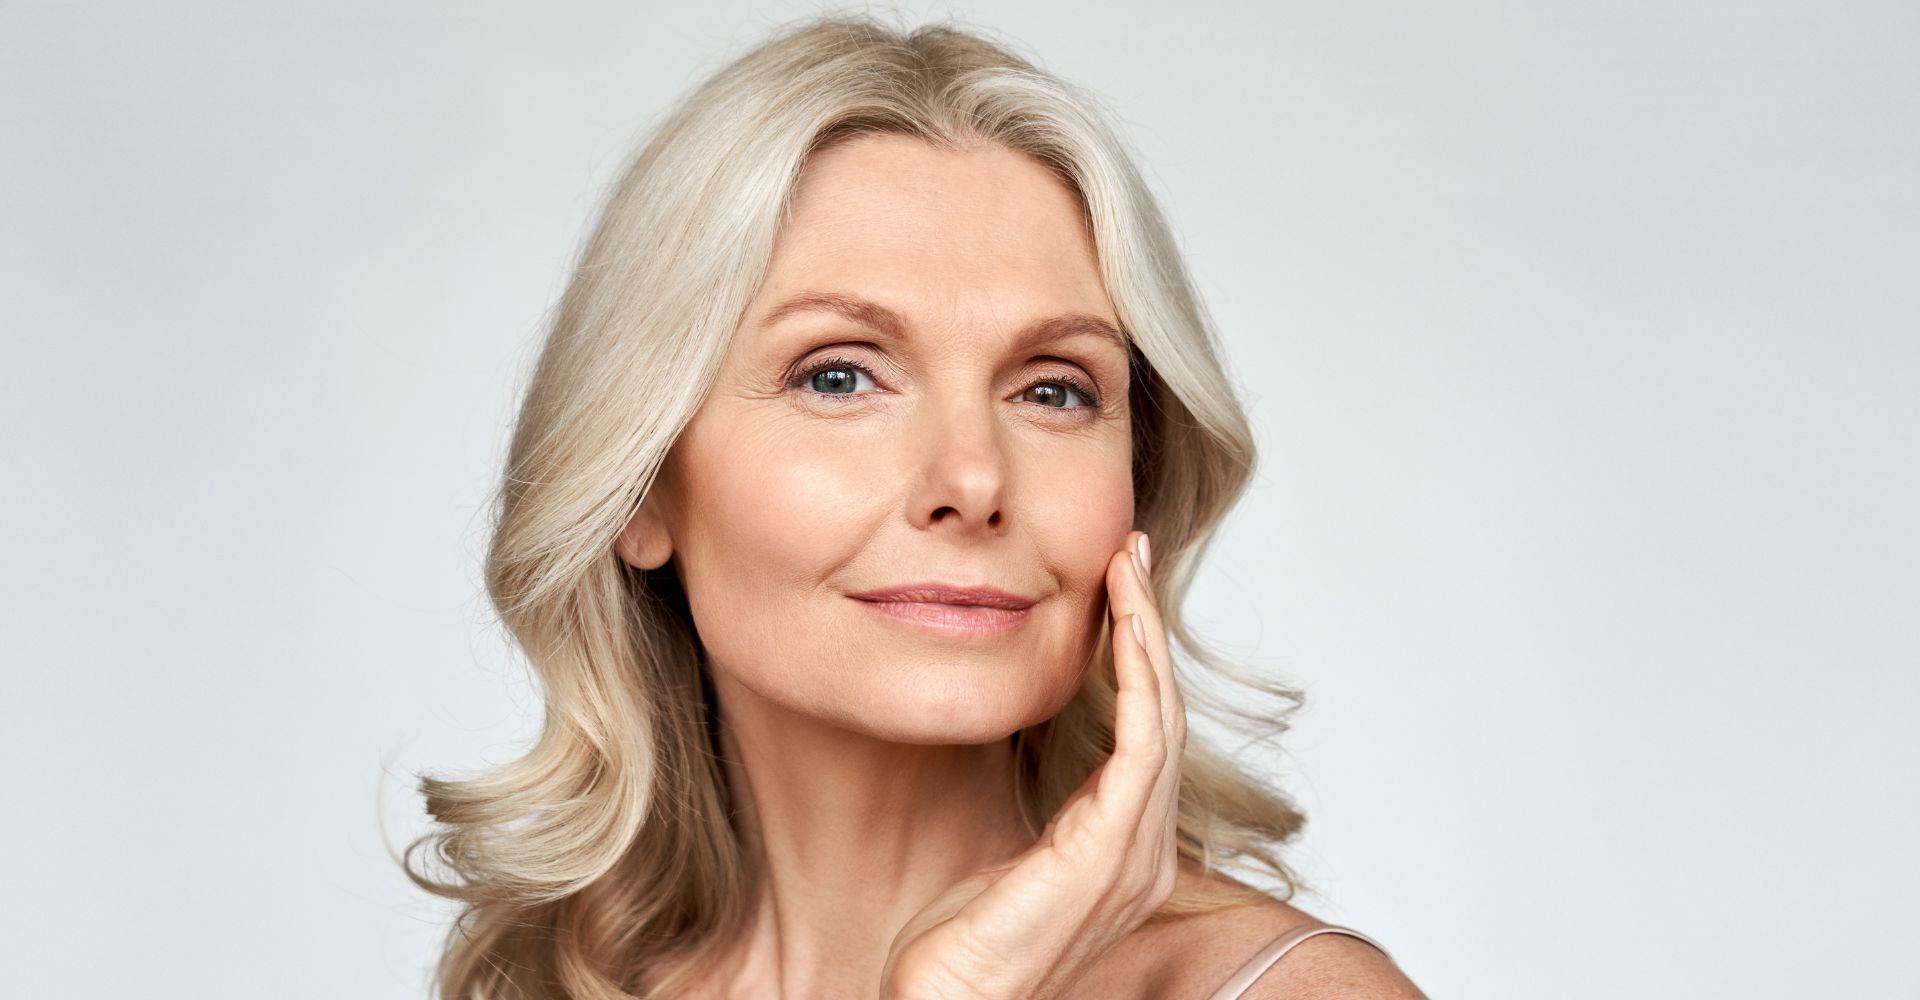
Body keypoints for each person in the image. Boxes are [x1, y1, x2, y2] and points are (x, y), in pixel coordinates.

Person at [401, 13, 1428, 999]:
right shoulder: (547, 981)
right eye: (840, 376)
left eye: (1053, 389)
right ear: (640, 483)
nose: (973, 482)